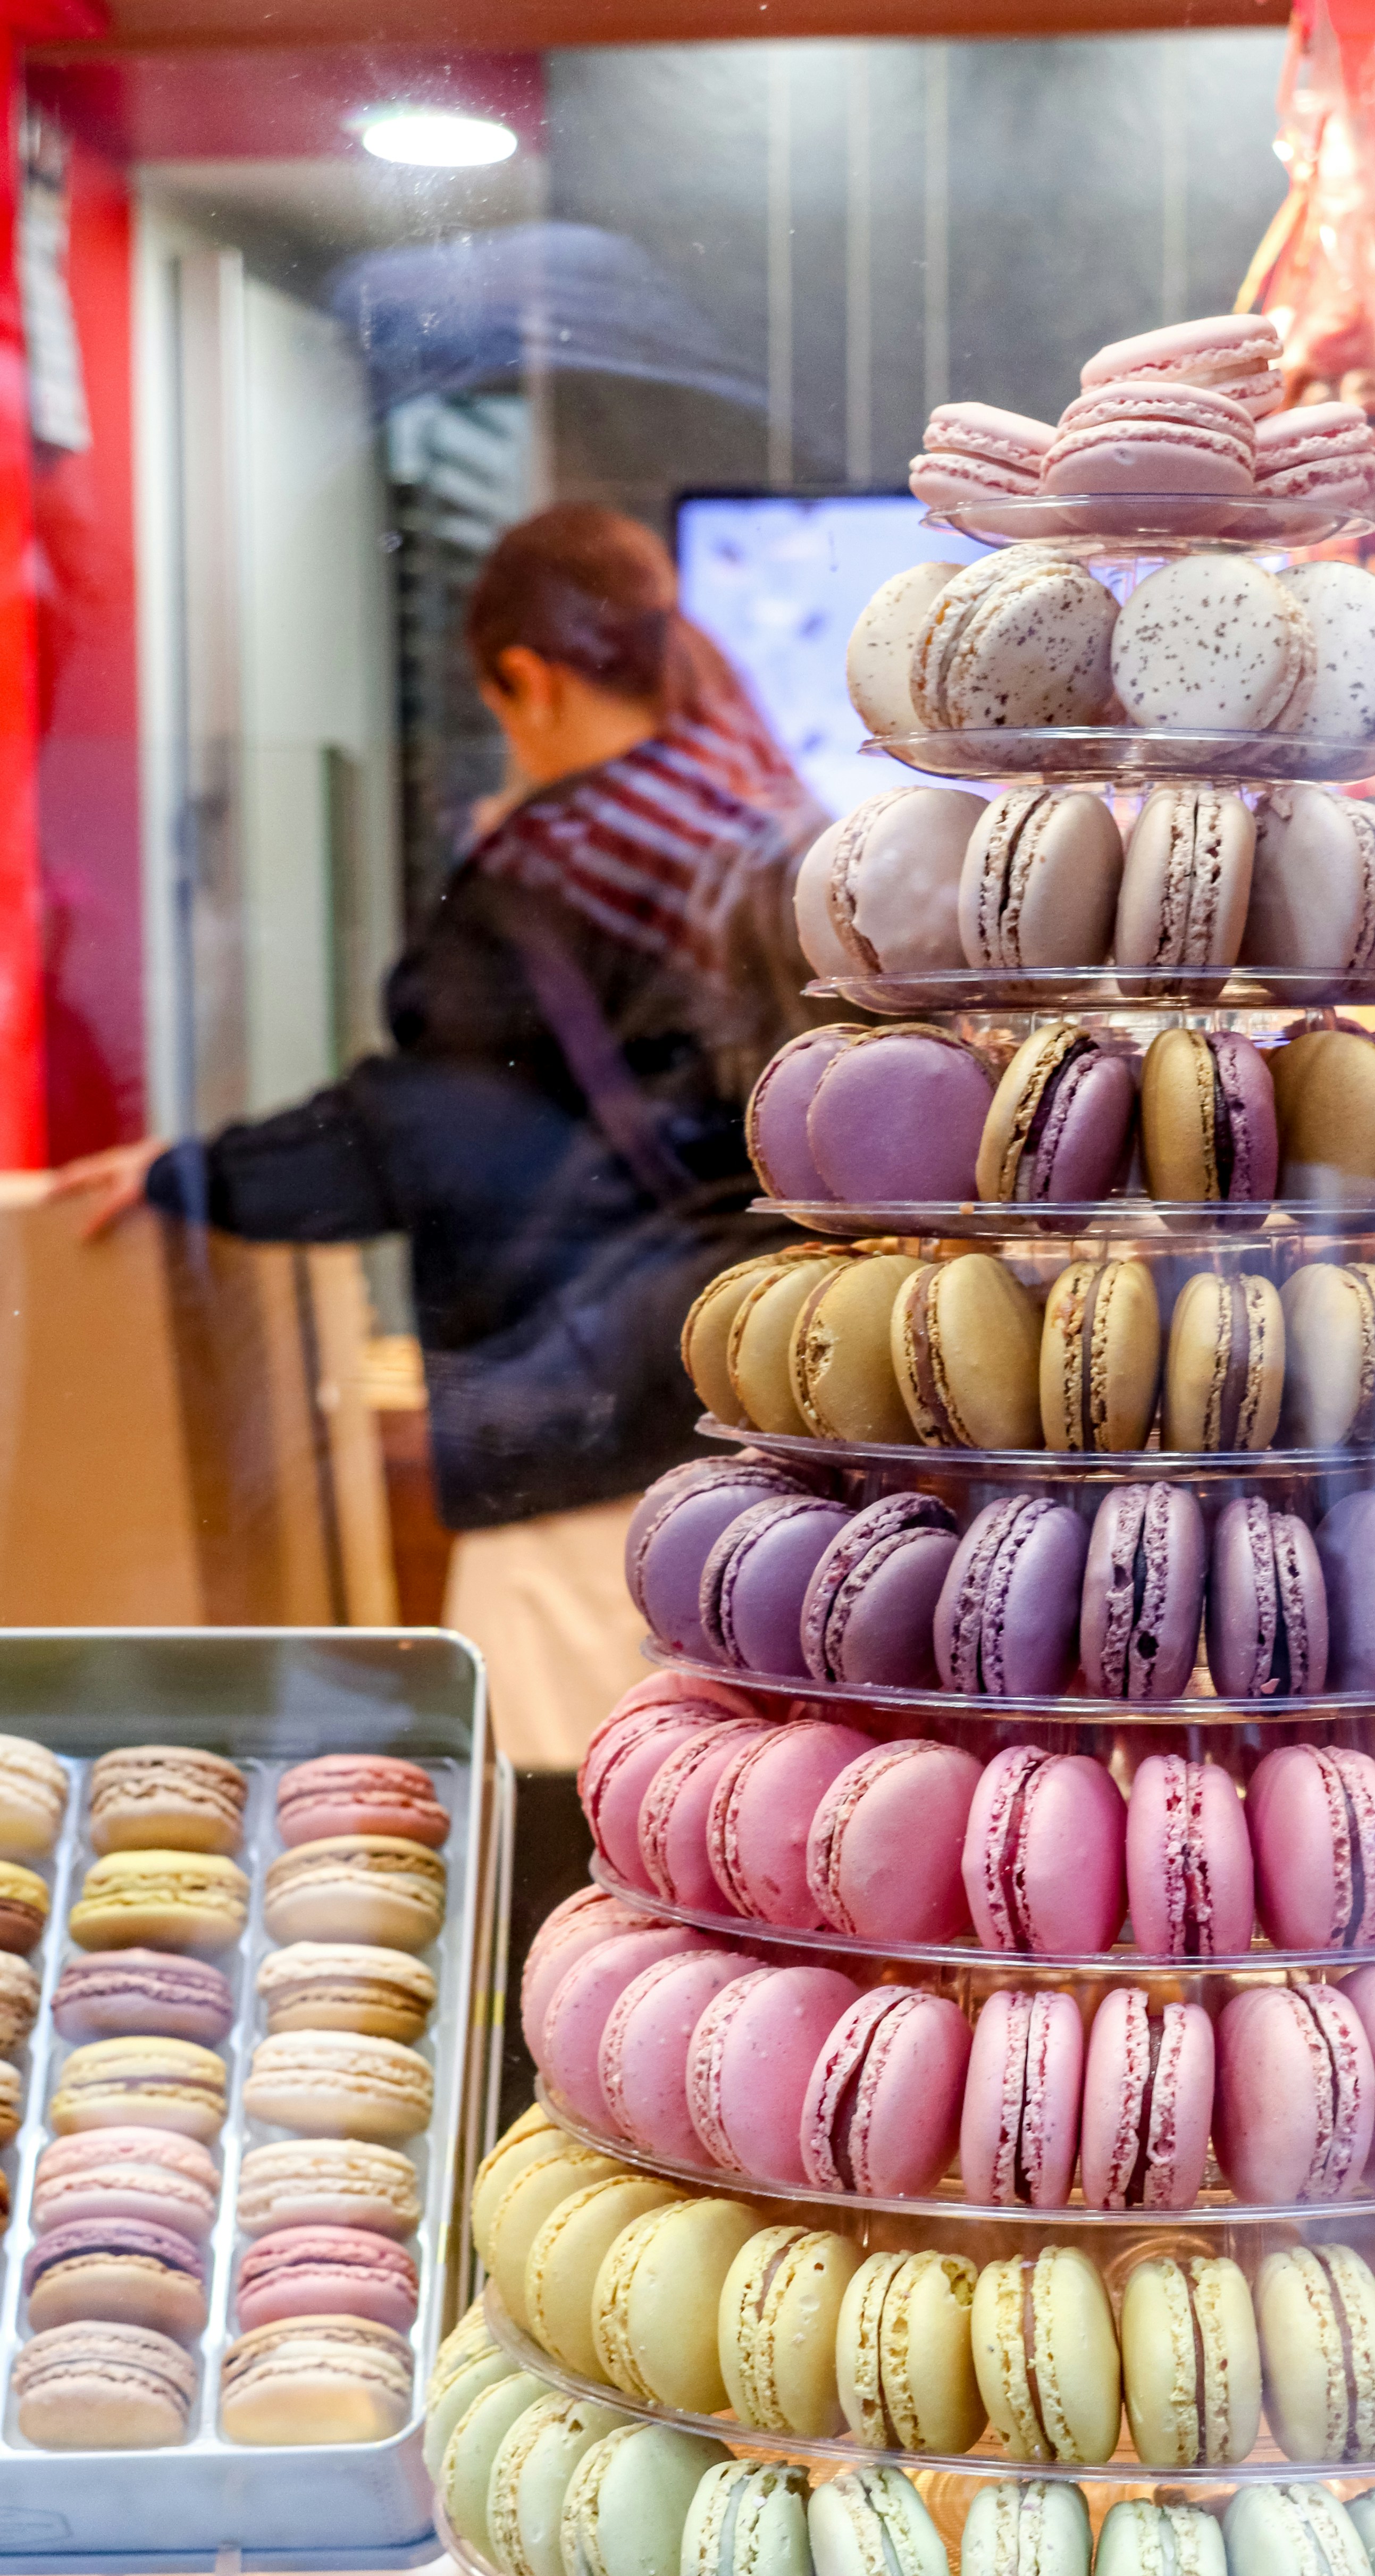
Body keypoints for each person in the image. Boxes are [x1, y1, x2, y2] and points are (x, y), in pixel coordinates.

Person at [52, 504, 823, 1762]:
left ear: (527, 679)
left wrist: (196, 1175)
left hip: (589, 1443)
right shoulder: (757, 820)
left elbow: (419, 1132)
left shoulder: (552, 870)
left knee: (572, 1820)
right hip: (771, 1415)